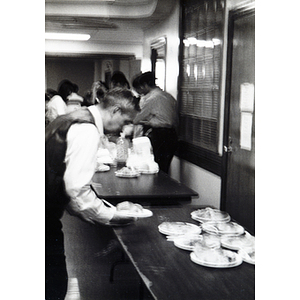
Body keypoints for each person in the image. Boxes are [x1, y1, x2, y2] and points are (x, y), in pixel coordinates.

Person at [45, 87, 140, 300]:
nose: (126, 128)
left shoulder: (72, 117)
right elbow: (76, 189)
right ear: (115, 111)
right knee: (54, 286)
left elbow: (65, 178)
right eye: (126, 121)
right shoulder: (87, 130)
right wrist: (112, 215)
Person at [132, 71, 179, 173]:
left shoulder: (152, 99)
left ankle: (157, 188)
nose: (139, 91)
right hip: (172, 135)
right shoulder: (168, 96)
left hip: (160, 135)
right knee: (164, 167)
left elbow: (137, 119)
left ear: (144, 85)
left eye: (140, 88)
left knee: (155, 166)